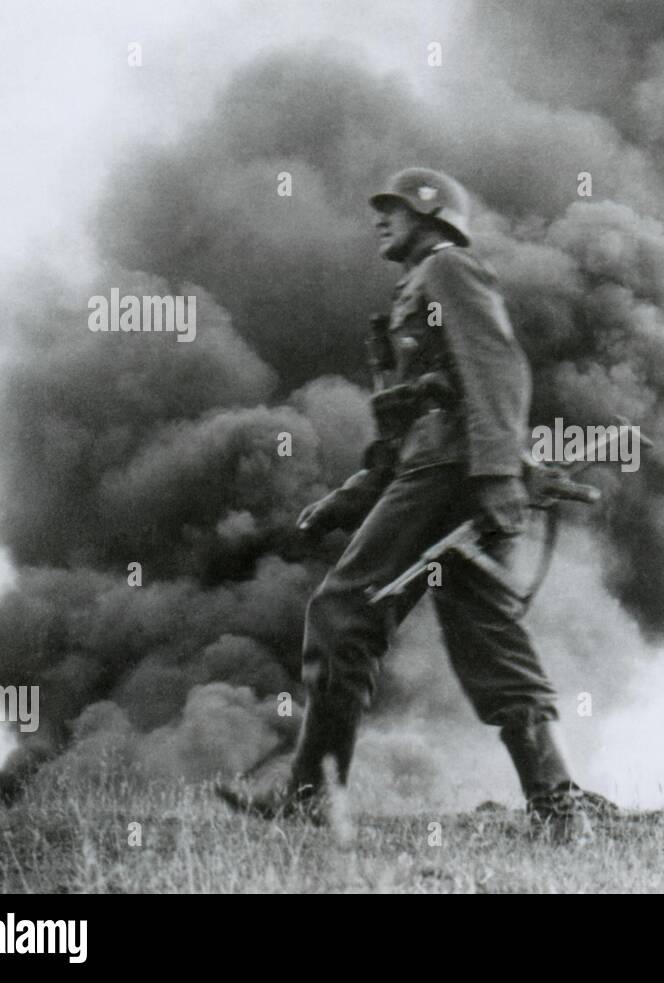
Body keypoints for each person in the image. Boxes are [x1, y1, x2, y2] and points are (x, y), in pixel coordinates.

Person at [220, 168, 595, 843]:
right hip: (441, 471)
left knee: (341, 611)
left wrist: (496, 473)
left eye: (393, 208)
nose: (379, 219)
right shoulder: (412, 292)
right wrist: (347, 499)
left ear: (432, 213)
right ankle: (557, 804)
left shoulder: (449, 270)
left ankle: (312, 797)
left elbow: (498, 370)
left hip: (450, 473)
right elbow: (406, 423)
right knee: (488, 632)